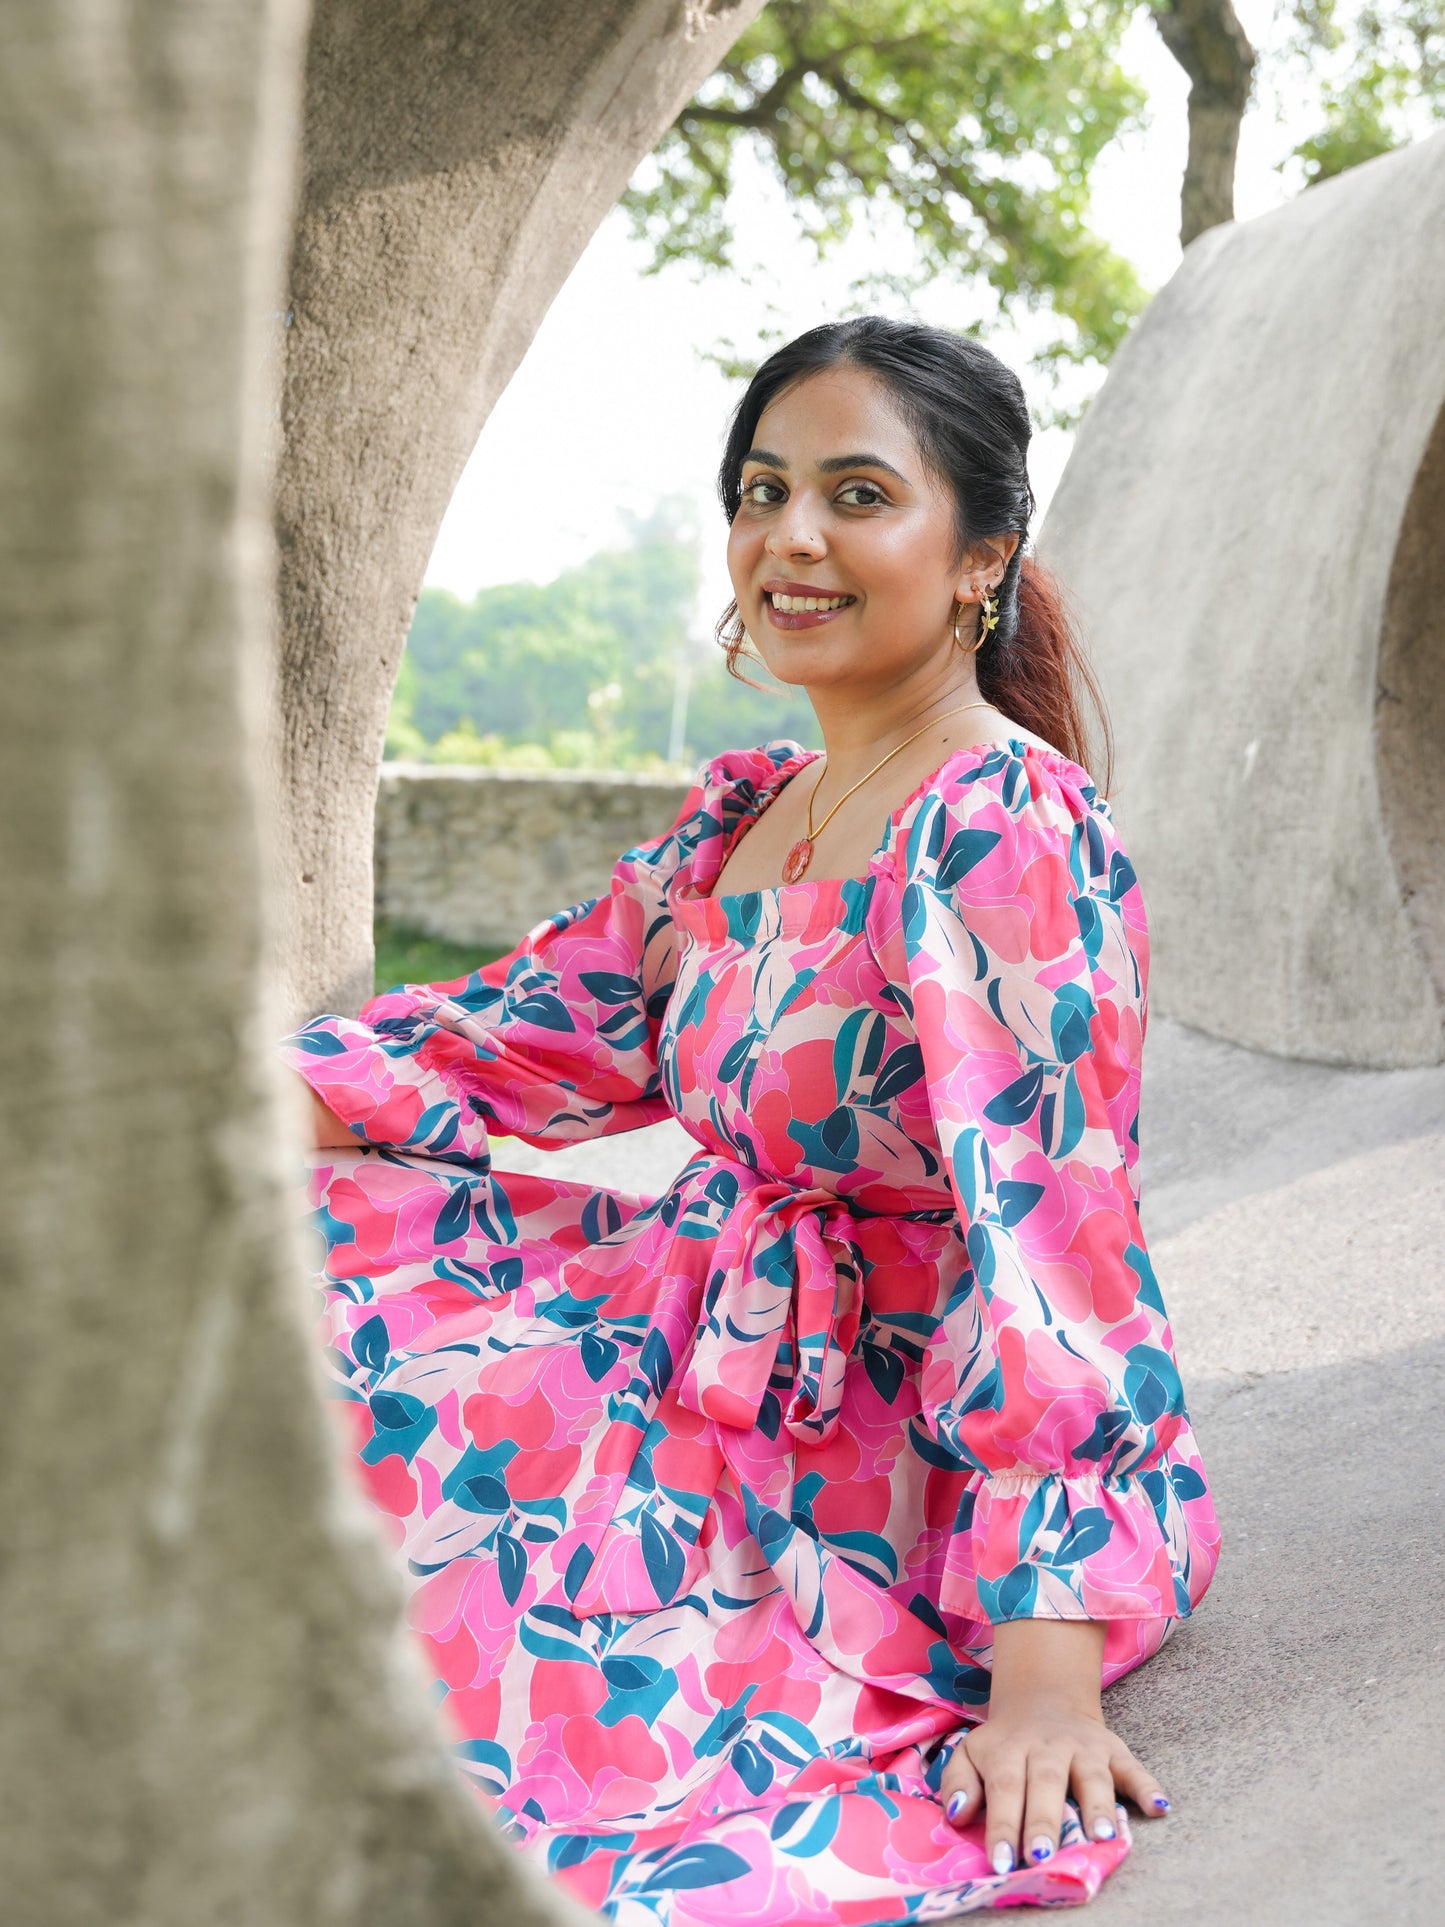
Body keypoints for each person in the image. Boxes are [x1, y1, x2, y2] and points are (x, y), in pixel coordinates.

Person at [286, 316, 1219, 1921]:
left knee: (556, 1715)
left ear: (978, 555)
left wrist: (1044, 1679)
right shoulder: (740, 822)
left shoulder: (1002, 830)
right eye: (763, 490)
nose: (791, 536)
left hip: (874, 1430)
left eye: (858, 494)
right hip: (684, 1316)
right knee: (272, 1265)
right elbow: (516, 1037)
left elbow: (1054, 1257)